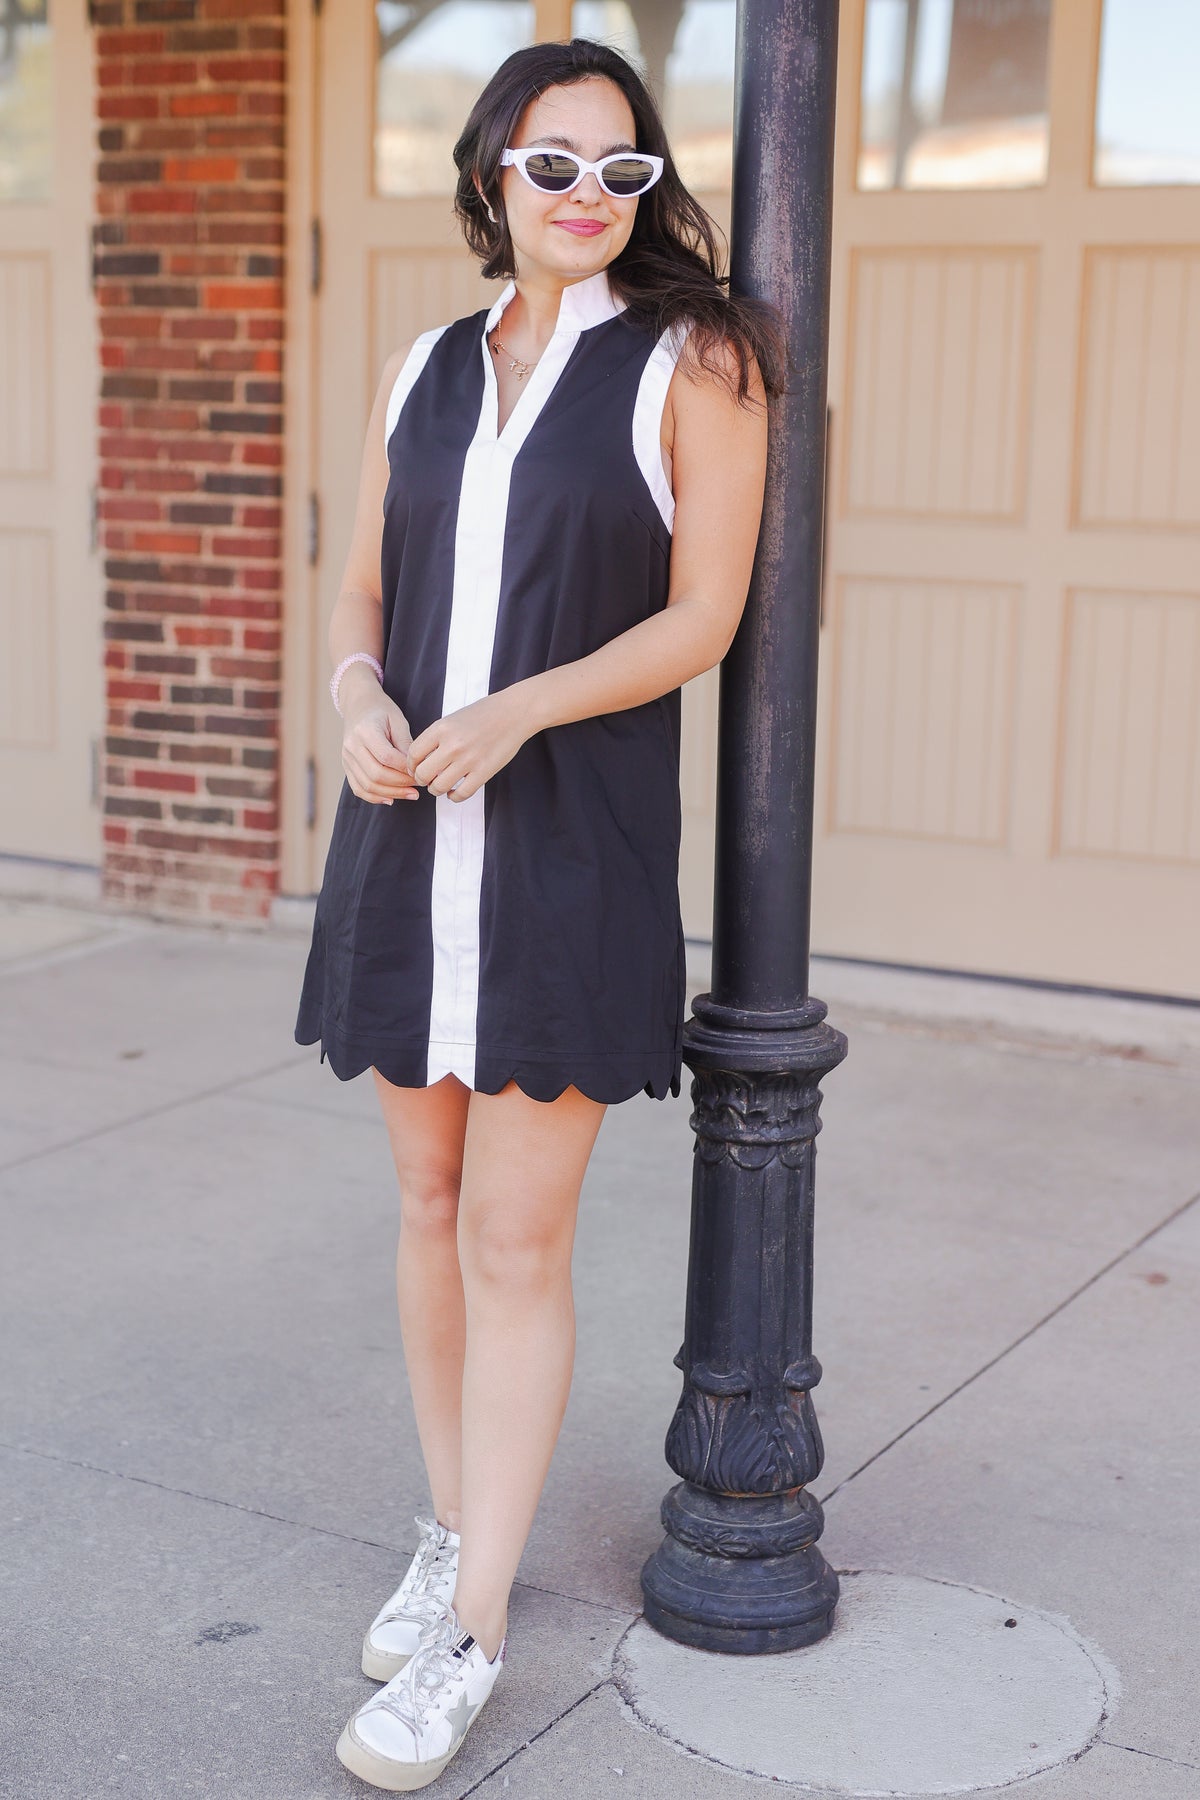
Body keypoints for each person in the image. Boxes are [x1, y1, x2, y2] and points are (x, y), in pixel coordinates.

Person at [293, 34, 786, 1792]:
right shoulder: (426, 361)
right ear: (493, 173)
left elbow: (704, 615)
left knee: (516, 1240)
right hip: (406, 839)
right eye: (554, 164)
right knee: (424, 1204)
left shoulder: (697, 358)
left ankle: (478, 1625)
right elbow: (361, 586)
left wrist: (522, 706)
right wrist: (359, 695)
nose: (589, 196)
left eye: (622, 168)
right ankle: (450, 1533)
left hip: (567, 845)